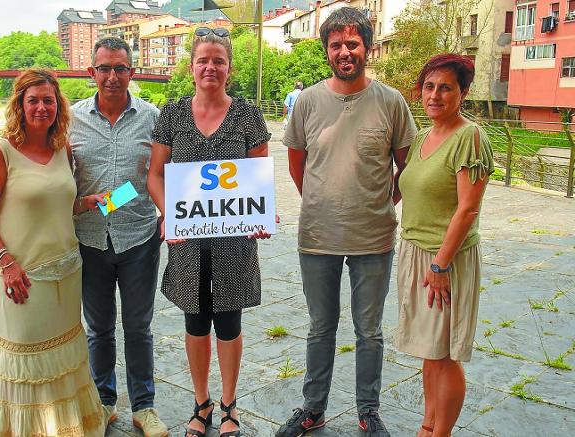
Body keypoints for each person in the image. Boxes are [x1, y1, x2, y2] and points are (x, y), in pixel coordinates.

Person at [277, 7, 417, 437]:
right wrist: (322, 201)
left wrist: (381, 201)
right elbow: (298, 163)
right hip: (317, 237)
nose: (344, 51)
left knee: (369, 330)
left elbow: (406, 167)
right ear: (326, 50)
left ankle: (368, 410)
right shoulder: (307, 102)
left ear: (367, 48)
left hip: (374, 237)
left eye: (352, 43)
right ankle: (313, 407)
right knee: (320, 327)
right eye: (336, 44)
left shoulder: (391, 101)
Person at [147, 26, 271, 437]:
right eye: (203, 60)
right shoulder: (174, 113)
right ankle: (201, 402)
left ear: (229, 68)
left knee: (229, 322)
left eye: (218, 60)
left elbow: (257, 178)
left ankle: (229, 405)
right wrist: (168, 214)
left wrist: (260, 217)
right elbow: (154, 176)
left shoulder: (248, 115)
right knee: (195, 322)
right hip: (187, 240)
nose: (210, 67)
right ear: (192, 65)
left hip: (233, 241)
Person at [0, 69, 106, 436]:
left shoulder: (61, 148)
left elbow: (59, 206)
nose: (42, 107)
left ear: (58, 105)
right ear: (20, 104)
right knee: (24, 360)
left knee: (63, 355)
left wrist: (88, 203)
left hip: (65, 273)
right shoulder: (1, 153)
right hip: (22, 277)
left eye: (48, 100)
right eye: (34, 100)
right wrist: (7, 263)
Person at [69, 37, 167, 437]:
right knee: (99, 328)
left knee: (139, 326)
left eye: (120, 68)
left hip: (139, 236)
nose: (112, 77)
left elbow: (169, 172)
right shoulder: (70, 119)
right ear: (92, 72)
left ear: (132, 72)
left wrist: (173, 215)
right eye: (104, 68)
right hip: (89, 239)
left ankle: (144, 406)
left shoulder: (153, 118)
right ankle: (103, 401)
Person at [395, 54, 494, 437]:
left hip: (444, 261)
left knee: (446, 354)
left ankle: (441, 433)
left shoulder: (469, 137)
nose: (434, 95)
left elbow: (468, 210)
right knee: (429, 349)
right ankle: (427, 425)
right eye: (429, 86)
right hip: (415, 253)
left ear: (463, 92)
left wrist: (440, 266)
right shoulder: (422, 135)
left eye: (446, 87)